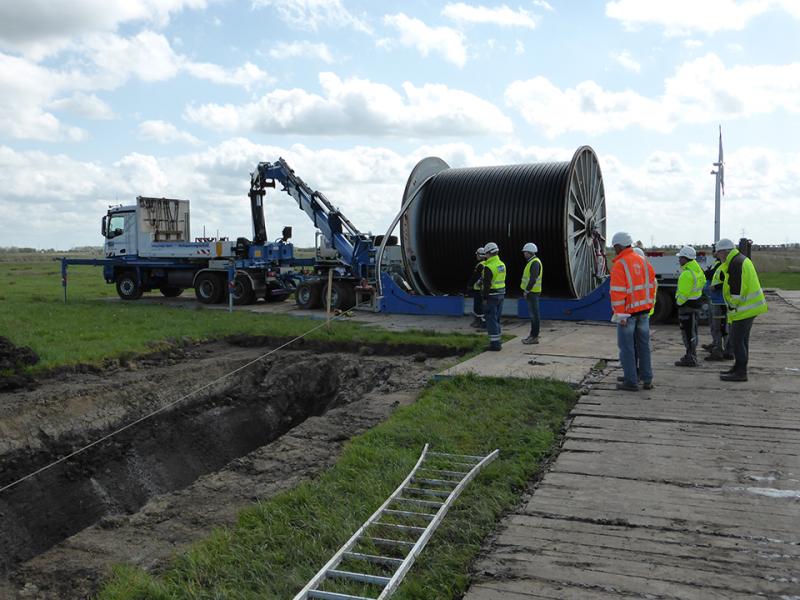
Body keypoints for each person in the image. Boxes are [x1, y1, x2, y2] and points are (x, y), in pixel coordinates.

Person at [714, 238, 768, 382]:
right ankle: (738, 368)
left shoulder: (736, 263)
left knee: (737, 340)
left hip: (743, 309)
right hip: (748, 308)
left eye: (718, 253)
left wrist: (731, 305)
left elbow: (737, 290)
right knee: (742, 340)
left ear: (724, 252)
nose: (718, 257)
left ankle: (741, 372)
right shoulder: (739, 260)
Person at [610, 232, 655, 391]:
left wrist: (620, 315)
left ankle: (631, 381)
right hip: (644, 312)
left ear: (619, 246)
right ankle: (647, 379)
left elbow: (617, 293)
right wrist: (648, 306)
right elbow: (652, 285)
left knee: (627, 348)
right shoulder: (643, 261)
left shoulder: (620, 265)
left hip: (627, 314)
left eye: (614, 247)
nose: (614, 250)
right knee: (644, 346)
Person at [674, 245, 706, 367]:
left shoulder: (686, 274)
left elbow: (683, 294)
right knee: (693, 332)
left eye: (680, 257)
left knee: (687, 333)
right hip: (695, 304)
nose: (679, 260)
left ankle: (690, 357)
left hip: (686, 307)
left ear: (685, 258)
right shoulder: (698, 271)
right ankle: (692, 354)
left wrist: (678, 303)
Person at [703, 246, 733, 361]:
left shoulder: (723, 265)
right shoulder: (719, 263)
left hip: (719, 301)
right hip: (718, 300)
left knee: (719, 327)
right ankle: (726, 350)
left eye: (716, 250)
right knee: (722, 327)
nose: (714, 253)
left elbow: (726, 281)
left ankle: (719, 351)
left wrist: (715, 286)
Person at [481, 242, 506, 351]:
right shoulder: (501, 264)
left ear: (489, 253)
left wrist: (484, 298)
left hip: (491, 296)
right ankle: (498, 341)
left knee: (491, 319)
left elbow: (487, 284)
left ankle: (495, 345)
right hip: (501, 294)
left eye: (485, 253)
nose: (484, 255)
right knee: (496, 319)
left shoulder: (489, 267)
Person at [520, 242, 542, 344]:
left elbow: (533, 279)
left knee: (534, 315)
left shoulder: (535, 263)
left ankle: (534, 337)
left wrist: (526, 290)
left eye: (525, 252)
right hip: (532, 292)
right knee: (533, 315)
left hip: (532, 292)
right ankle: (532, 336)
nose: (524, 254)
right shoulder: (532, 262)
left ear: (530, 252)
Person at [466, 247, 486, 329]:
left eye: (477, 254)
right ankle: (480, 322)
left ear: (480, 255)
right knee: (482, 306)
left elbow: (475, 277)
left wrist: (469, 285)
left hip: (478, 289)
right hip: (484, 289)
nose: (476, 256)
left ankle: (480, 323)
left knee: (478, 307)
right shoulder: (488, 263)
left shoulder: (480, 265)